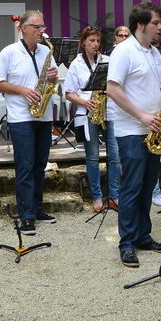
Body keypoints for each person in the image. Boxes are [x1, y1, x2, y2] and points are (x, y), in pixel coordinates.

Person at [106, 2, 161, 267]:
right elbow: (113, 89)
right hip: (132, 130)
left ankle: (143, 235)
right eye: (156, 23)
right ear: (141, 24)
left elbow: (153, 87)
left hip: (153, 130)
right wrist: (142, 115)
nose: (160, 28)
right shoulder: (124, 51)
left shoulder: (154, 53)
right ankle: (126, 243)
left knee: (147, 186)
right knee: (132, 187)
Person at [0, 10, 59, 235]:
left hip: (44, 115)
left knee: (40, 166)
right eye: (37, 27)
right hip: (21, 117)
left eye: (43, 27)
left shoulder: (46, 51)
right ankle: (26, 216)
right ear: (23, 28)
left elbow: (53, 81)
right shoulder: (9, 52)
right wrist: (21, 90)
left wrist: (53, 77)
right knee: (26, 166)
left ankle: (37, 208)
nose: (42, 31)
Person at [63, 27, 120, 213]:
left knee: (115, 156)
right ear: (84, 43)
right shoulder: (76, 64)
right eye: (91, 41)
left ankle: (114, 196)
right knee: (93, 157)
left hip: (109, 112)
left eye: (97, 41)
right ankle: (97, 196)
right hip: (88, 113)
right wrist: (85, 102)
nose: (95, 44)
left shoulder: (107, 61)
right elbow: (69, 94)